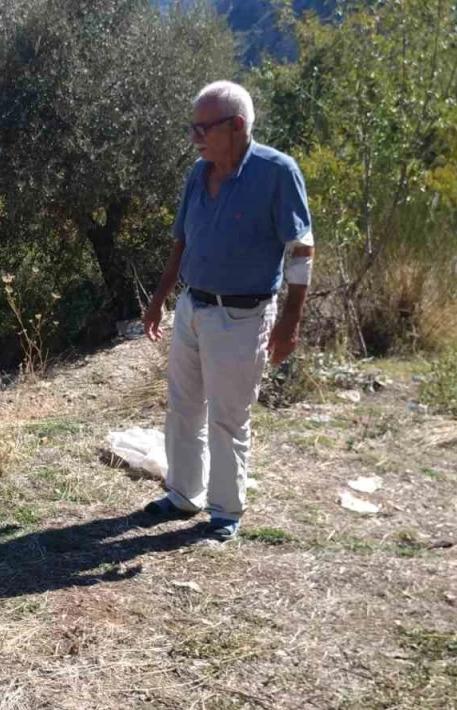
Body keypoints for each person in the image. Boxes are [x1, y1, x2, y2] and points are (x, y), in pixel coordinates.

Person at [141, 80, 314, 541]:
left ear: (236, 126)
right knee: (182, 407)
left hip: (243, 316)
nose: (195, 137)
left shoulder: (277, 172)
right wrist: (160, 298)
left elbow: (300, 250)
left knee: (227, 416)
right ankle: (182, 495)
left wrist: (290, 321)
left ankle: (225, 512)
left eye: (204, 128)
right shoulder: (198, 174)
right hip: (192, 306)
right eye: (192, 127)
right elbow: (182, 239)